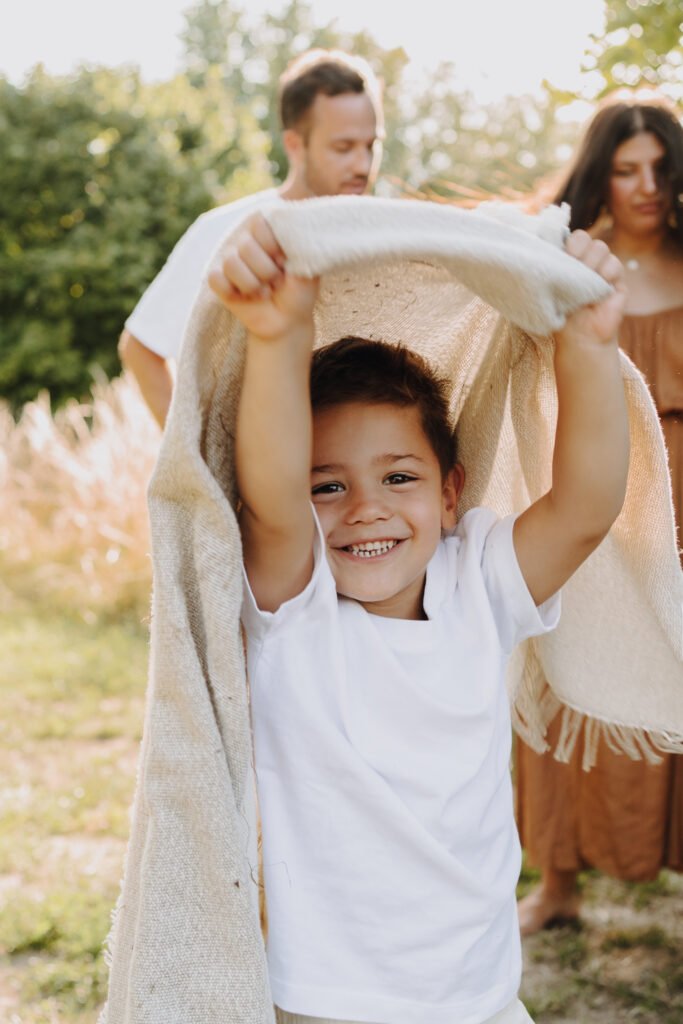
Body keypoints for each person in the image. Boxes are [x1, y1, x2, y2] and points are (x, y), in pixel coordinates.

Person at [204, 207, 628, 1024]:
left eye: (398, 477)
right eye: (327, 485)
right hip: (332, 999)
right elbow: (271, 495)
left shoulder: (478, 582)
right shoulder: (295, 609)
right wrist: (278, 333)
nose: (364, 509)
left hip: (475, 988)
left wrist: (588, 344)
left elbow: (583, 509)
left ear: (449, 491)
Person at [516, 91, 683, 936]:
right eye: (624, 170)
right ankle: (557, 884)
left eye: (659, 167)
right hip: (599, 504)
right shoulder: (573, 264)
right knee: (571, 665)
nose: (645, 186)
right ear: (599, 175)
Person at [118, 48, 383, 427]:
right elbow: (141, 349)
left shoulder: (387, 240)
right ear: (295, 145)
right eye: (343, 148)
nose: (362, 165)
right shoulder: (225, 231)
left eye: (371, 145)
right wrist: (197, 465)